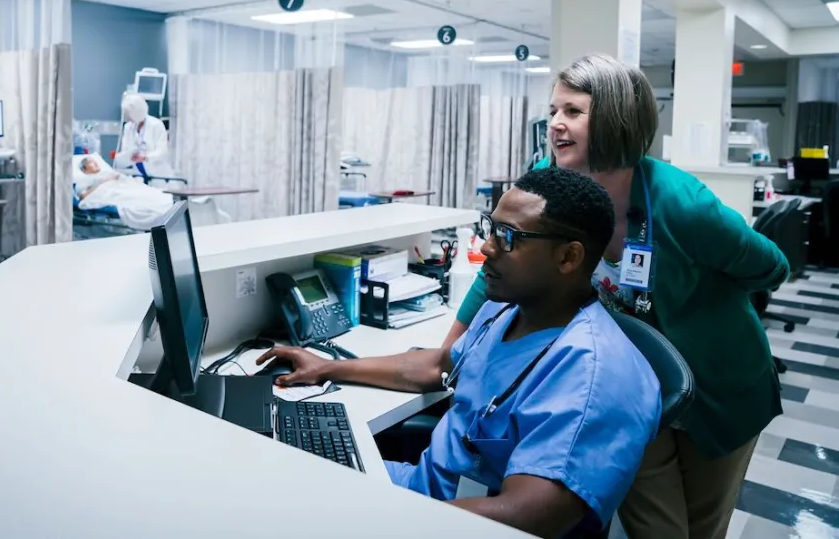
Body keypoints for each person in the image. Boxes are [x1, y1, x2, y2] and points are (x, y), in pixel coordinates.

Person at [447, 53, 790, 539]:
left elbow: (771, 266)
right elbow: (498, 260)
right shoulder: (549, 179)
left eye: (573, 111)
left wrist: (699, 300)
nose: (555, 125)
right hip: (632, 384)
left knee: (701, 528)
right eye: (553, 111)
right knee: (656, 530)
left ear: (614, 117)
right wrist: (451, 346)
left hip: (722, 386)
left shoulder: (682, 205)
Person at [258, 167, 661, 538]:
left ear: (568, 257)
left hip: (442, 521)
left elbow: (526, 515)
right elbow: (436, 364)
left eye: (508, 237)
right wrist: (329, 367)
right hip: (416, 491)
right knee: (274, 467)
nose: (487, 248)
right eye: (491, 228)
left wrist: (383, 516)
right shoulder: (507, 309)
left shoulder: (593, 375)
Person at [116, 93, 171, 178]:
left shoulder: (156, 125)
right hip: (138, 172)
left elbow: (162, 152)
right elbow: (125, 150)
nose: (129, 118)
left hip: (157, 173)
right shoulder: (128, 127)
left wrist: (145, 157)